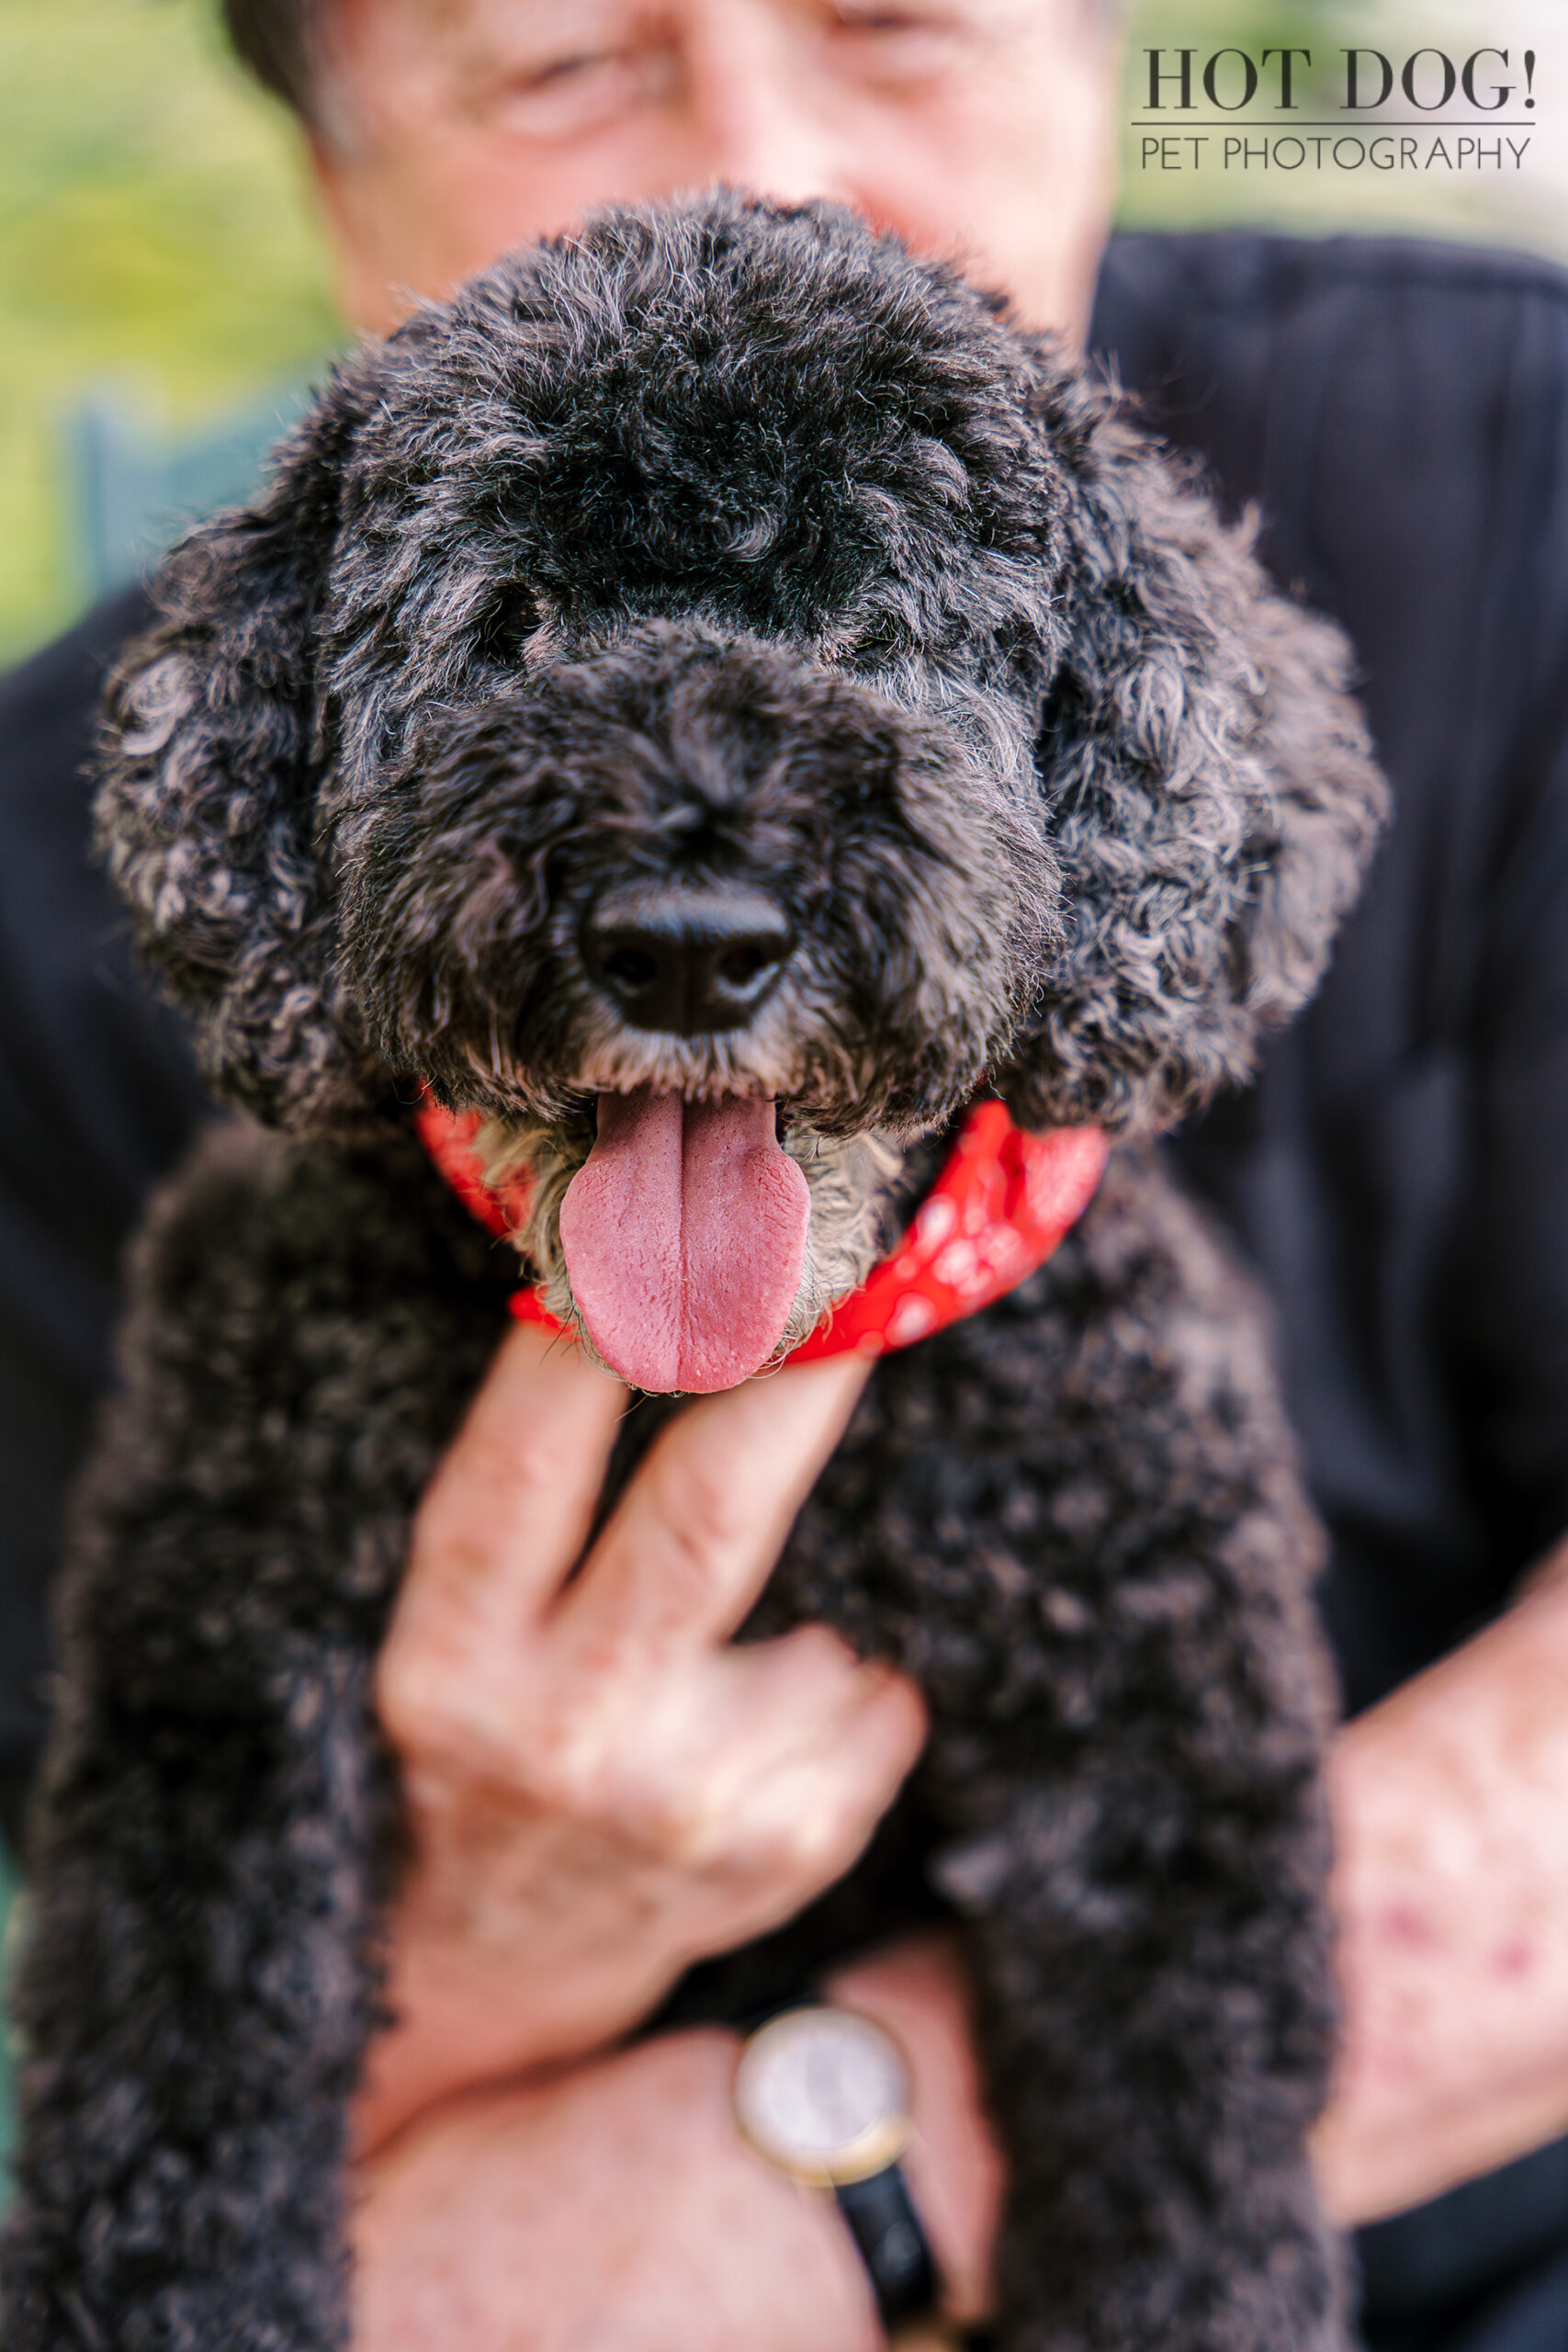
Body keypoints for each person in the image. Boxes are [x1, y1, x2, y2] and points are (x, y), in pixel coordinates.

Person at [3, 1, 1568, 2345]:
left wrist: (816, 2168)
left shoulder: (1519, 477)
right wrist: (492, 1922)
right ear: (335, 184)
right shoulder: (58, 951)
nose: (777, 166)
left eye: (893, 24)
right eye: (557, 64)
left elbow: (1184, 1890)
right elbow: (159, 2003)